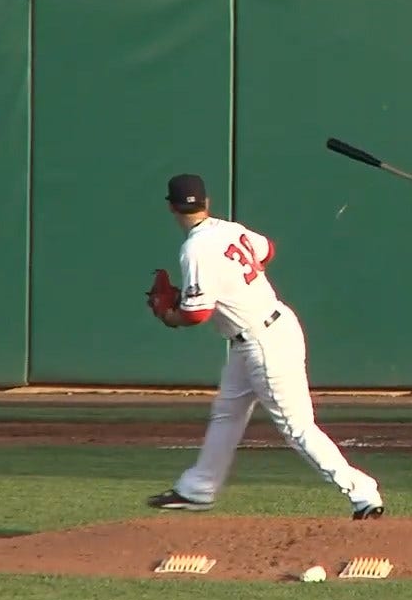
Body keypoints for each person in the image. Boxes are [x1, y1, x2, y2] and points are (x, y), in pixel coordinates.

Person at [144, 174, 385, 520]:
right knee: (228, 412)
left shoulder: (194, 248)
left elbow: (197, 314)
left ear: (171, 207)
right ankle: (197, 489)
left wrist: (169, 315)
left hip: (263, 341)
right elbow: (267, 250)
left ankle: (362, 493)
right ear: (206, 202)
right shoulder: (228, 229)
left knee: (297, 427)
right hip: (267, 328)